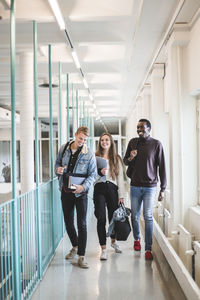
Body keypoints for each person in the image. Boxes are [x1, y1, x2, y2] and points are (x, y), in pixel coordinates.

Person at [123, 119, 167, 260]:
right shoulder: (132, 142)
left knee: (148, 216)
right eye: (137, 127)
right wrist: (131, 156)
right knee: (134, 216)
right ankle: (137, 239)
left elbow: (162, 167)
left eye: (142, 127)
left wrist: (163, 189)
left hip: (150, 187)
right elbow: (125, 161)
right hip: (135, 185)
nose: (139, 129)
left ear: (149, 128)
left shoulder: (156, 144)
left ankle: (148, 248)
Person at [54, 126, 97, 269]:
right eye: (80, 138)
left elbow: (93, 175)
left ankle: (82, 256)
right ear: (75, 135)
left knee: (82, 223)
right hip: (65, 191)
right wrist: (58, 170)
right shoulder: (63, 148)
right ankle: (75, 246)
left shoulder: (89, 153)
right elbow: (57, 164)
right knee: (68, 222)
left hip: (81, 193)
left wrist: (83, 187)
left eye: (85, 140)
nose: (82, 142)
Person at [94, 132, 126, 261]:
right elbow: (90, 175)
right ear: (100, 142)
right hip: (99, 188)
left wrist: (121, 195)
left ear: (111, 142)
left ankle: (113, 241)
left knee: (113, 217)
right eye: (102, 140)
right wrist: (98, 172)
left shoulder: (116, 158)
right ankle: (103, 249)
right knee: (101, 218)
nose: (104, 142)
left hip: (112, 188)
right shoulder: (95, 157)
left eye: (107, 140)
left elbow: (120, 178)